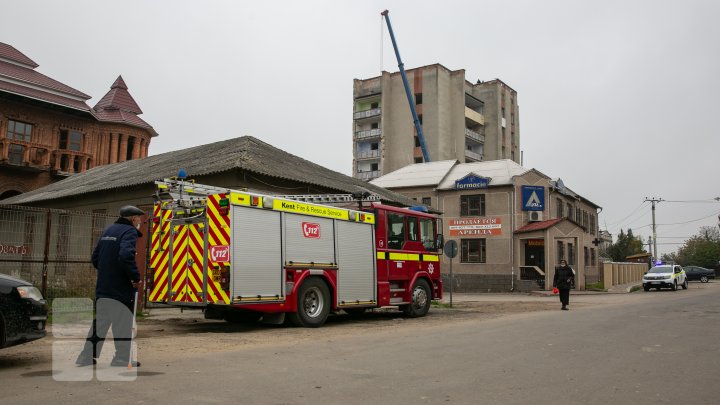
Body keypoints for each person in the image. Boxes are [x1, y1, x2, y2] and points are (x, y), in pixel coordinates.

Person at [76, 205, 144, 367]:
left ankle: (86, 357)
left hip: (104, 287)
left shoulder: (109, 230)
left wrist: (108, 272)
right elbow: (126, 255)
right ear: (133, 218)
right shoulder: (129, 232)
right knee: (123, 324)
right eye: (139, 218)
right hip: (120, 288)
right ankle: (121, 358)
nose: (140, 221)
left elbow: (95, 258)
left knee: (100, 323)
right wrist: (134, 277)